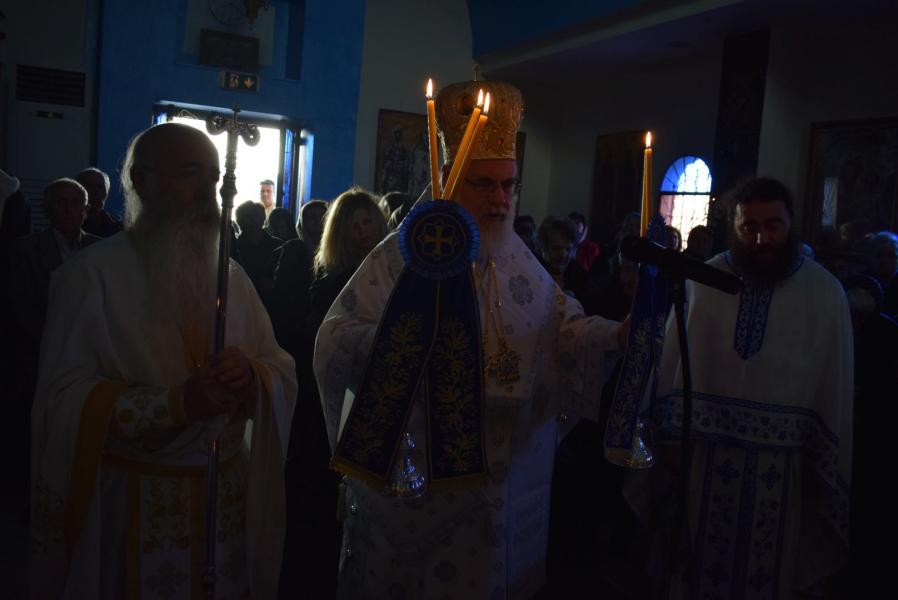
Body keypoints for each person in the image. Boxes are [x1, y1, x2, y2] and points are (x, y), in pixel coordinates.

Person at [313, 80, 628, 599]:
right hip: (413, 491)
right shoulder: (397, 257)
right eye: (484, 184)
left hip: (498, 488)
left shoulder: (521, 261)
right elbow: (335, 339)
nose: (500, 200)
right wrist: (406, 344)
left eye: (509, 185)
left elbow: (565, 331)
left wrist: (615, 335)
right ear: (449, 179)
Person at [30, 122, 296, 599]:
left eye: (215, 179)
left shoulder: (232, 276)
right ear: (142, 180)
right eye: (191, 174)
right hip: (134, 506)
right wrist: (174, 405)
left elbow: (278, 364)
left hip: (225, 508)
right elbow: (62, 402)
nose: (212, 194)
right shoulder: (89, 276)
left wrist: (252, 376)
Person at [626, 177, 853, 598]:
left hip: (783, 470)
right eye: (749, 227)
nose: (761, 238)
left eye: (773, 225)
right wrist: (670, 438)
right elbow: (673, 362)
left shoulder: (824, 293)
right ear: (733, 226)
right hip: (702, 460)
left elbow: (833, 385)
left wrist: (820, 462)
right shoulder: (704, 279)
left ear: (791, 224)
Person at [279, 187, 388, 599]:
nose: (362, 232)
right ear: (340, 233)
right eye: (354, 225)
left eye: (368, 223)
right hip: (337, 393)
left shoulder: (394, 274)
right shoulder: (332, 281)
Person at [537, 215, 597, 314]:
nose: (563, 255)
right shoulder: (533, 272)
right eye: (556, 248)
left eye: (568, 249)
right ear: (543, 248)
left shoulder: (581, 278)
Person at [235, 199, 283, 308]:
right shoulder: (233, 248)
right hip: (243, 301)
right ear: (239, 221)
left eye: (256, 215)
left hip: (274, 303)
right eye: (247, 216)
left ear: (263, 219)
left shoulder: (279, 245)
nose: (252, 220)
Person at [76, 167, 123, 238]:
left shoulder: (118, 227)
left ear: (106, 192)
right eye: (90, 186)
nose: (96, 192)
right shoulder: (70, 224)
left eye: (100, 187)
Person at [865, 231, 898, 318]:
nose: (884, 261)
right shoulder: (861, 283)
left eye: (891, 256)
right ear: (869, 257)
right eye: (879, 256)